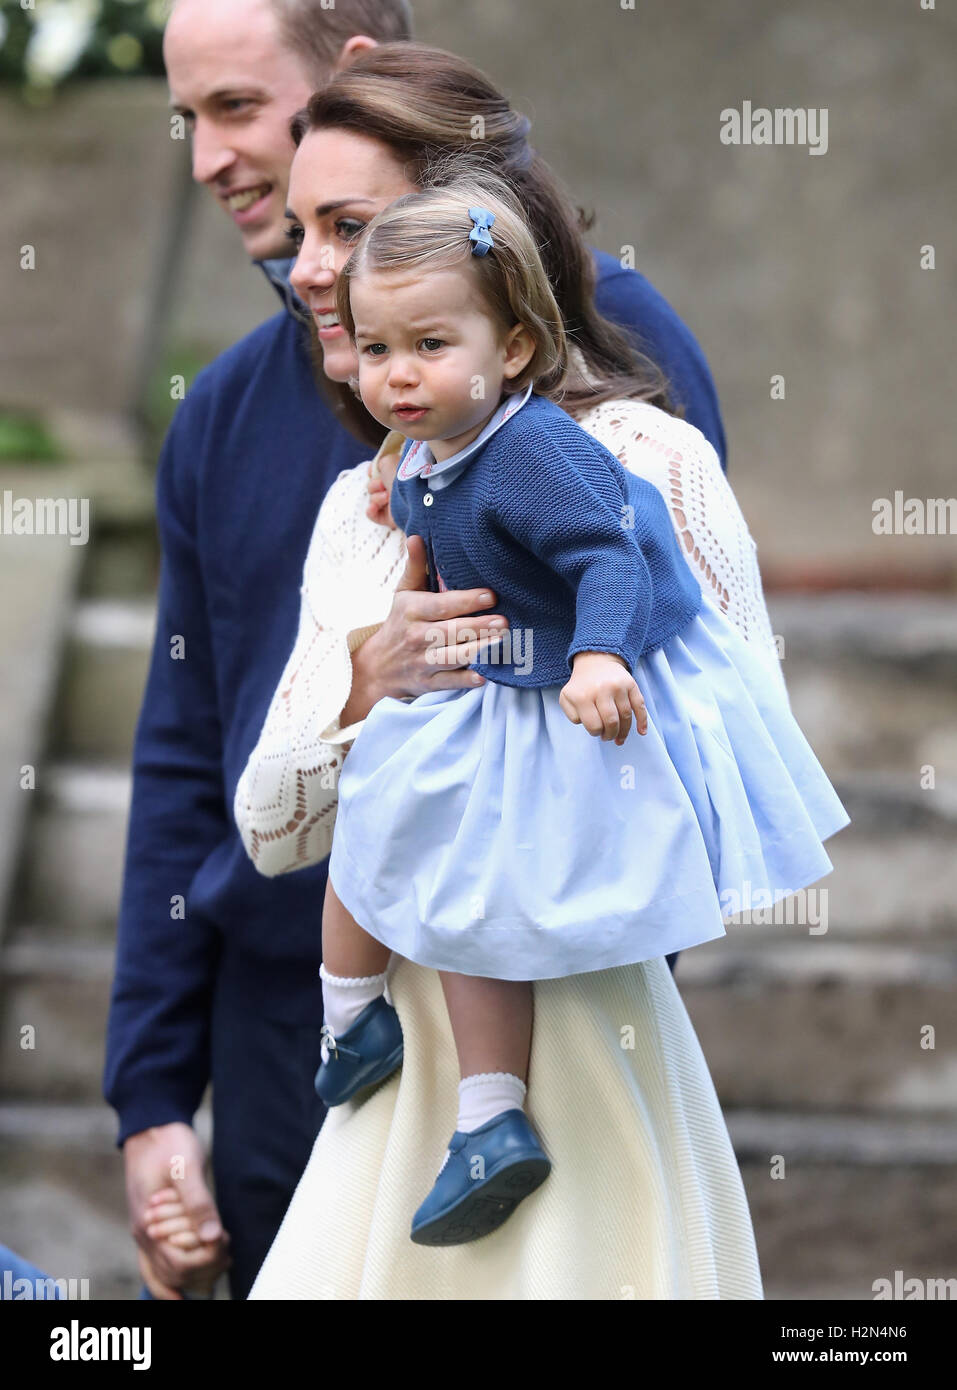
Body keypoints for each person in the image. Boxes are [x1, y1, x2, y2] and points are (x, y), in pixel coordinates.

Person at [103, 14, 728, 1302]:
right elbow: (189, 761)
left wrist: (552, 1009)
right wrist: (153, 1091)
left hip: (548, 1018)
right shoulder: (241, 423)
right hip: (297, 1035)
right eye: (189, 123)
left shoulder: (625, 397)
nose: (222, 164)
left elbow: (691, 722)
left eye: (234, 106)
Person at [300, 172, 850, 1246]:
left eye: (429, 346)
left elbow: (612, 560)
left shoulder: (538, 452)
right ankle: (353, 1019)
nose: (398, 376)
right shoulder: (432, 444)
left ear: (511, 349)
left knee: (475, 888)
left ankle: (491, 1113)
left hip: (569, 681)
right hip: (498, 678)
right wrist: (398, 491)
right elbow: (429, 494)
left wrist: (602, 656)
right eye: (376, 351)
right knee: (380, 800)